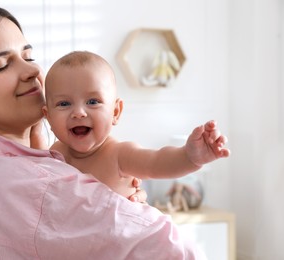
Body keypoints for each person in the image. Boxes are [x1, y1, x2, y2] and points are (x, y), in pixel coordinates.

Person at [0, 4, 207, 259]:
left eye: (28, 56)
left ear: (116, 109)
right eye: (2, 65)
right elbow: (178, 251)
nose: (30, 71)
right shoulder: (36, 186)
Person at [43, 51, 230, 199]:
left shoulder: (120, 155)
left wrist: (189, 157)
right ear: (48, 117)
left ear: (115, 112)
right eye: (64, 104)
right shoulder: (53, 155)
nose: (79, 113)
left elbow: (156, 162)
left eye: (92, 101)